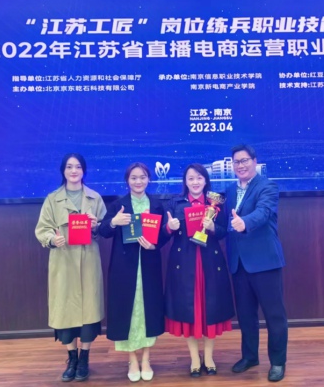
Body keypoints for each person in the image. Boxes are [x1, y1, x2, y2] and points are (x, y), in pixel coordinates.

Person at [35, 153, 106, 382]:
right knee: (65, 311)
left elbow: (105, 228)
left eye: (77, 167)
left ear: (83, 170)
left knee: (89, 311)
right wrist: (51, 239)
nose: (73, 171)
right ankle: (71, 358)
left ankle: (84, 358)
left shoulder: (94, 198)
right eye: (69, 167)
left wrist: (96, 226)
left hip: (88, 261)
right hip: (63, 262)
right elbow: (42, 229)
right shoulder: (52, 199)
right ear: (63, 171)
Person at [163, 163, 234, 377]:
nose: (195, 182)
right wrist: (169, 228)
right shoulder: (174, 203)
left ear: (205, 181)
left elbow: (223, 231)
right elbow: (163, 235)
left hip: (209, 262)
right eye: (191, 178)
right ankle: (195, 358)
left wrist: (213, 227)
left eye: (199, 178)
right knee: (189, 312)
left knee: (210, 310)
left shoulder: (215, 203)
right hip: (184, 263)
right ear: (185, 182)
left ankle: (209, 357)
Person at [98, 162, 166, 382]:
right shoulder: (118, 205)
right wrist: (114, 222)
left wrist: (155, 245)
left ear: (149, 179)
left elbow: (165, 234)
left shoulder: (156, 204)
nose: (139, 181)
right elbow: (103, 231)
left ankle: (146, 358)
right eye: (134, 177)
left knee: (147, 311)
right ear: (127, 180)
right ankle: (132, 360)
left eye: (143, 177)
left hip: (149, 266)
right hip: (124, 267)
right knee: (127, 310)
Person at [226, 144, 288, 383]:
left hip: (265, 262)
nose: (240, 165)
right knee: (245, 315)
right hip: (238, 264)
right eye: (236, 162)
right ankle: (250, 357)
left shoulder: (268, 186)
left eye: (244, 160)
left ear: (254, 161)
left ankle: (278, 362)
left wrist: (245, 222)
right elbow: (224, 225)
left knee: (274, 315)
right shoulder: (229, 191)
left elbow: (263, 212)